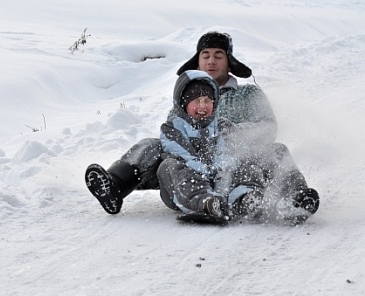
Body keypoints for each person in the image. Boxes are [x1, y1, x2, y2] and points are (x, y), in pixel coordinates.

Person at [85, 31, 319, 223]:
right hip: (189, 166)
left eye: (218, 55)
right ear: (197, 61)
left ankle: (294, 199)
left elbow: (267, 127)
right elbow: (172, 131)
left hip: (237, 161)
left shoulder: (248, 94)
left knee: (277, 150)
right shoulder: (184, 97)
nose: (211, 61)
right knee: (150, 145)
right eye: (205, 55)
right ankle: (114, 187)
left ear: (229, 62)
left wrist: (227, 136)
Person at [158, 70, 266, 222]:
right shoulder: (172, 127)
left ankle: (245, 198)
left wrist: (221, 176)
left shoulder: (221, 125)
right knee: (170, 165)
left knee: (246, 164)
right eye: (197, 101)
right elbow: (182, 154)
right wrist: (206, 173)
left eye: (207, 101)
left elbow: (227, 152)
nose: (203, 106)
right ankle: (205, 202)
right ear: (184, 103)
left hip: (220, 179)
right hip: (185, 184)